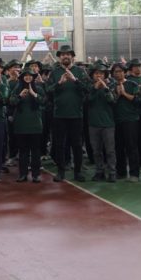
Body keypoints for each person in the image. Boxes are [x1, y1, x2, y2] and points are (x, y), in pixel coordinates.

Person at [47, 45, 87, 182]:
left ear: (72, 57)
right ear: (59, 57)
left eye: (68, 54)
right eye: (63, 54)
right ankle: (61, 171)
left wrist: (75, 80)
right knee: (59, 144)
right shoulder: (54, 73)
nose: (65, 56)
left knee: (77, 145)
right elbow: (48, 91)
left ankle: (78, 172)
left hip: (76, 114)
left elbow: (87, 88)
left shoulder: (80, 71)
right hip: (59, 115)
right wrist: (59, 83)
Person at [9, 68, 44, 183]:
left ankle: (36, 174)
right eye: (25, 75)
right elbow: (11, 102)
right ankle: (23, 174)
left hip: (35, 125)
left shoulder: (38, 88)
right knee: (23, 151)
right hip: (21, 125)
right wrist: (19, 96)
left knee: (36, 152)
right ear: (22, 77)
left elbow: (43, 101)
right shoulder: (17, 88)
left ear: (33, 77)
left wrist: (34, 94)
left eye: (30, 75)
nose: (28, 77)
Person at [111, 63, 141, 181]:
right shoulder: (111, 86)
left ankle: (134, 174)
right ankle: (121, 172)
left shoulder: (132, 84)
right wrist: (117, 95)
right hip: (116, 120)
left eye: (120, 71)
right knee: (118, 147)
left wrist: (124, 94)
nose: (118, 73)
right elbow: (109, 102)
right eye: (116, 72)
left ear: (125, 72)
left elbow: (139, 101)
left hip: (131, 120)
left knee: (132, 147)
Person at [86, 63, 117, 182]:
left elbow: (112, 100)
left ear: (105, 75)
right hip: (93, 124)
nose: (99, 76)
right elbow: (87, 101)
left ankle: (112, 172)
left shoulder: (111, 86)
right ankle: (99, 172)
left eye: (101, 74)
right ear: (92, 75)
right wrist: (94, 88)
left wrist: (105, 88)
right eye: (96, 73)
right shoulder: (89, 87)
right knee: (96, 151)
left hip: (108, 124)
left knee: (110, 151)